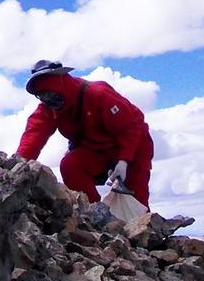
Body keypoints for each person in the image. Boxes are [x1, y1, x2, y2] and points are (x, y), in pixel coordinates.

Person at [16, 59, 154, 208]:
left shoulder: (98, 94)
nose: (47, 99)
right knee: (71, 165)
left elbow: (130, 128)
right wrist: (18, 164)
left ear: (60, 84)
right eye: (42, 95)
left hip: (135, 145)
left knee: (136, 203)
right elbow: (34, 133)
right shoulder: (50, 107)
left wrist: (124, 160)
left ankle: (141, 221)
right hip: (96, 150)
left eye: (49, 92)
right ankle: (94, 213)